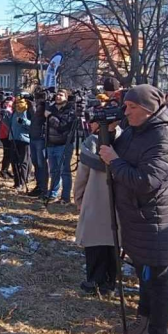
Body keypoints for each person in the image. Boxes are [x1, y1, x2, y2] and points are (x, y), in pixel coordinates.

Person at [98, 84, 168, 334]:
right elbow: (110, 155)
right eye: (126, 106)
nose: (126, 111)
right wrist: (106, 133)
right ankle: (143, 322)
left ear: (148, 109)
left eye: (132, 107)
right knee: (145, 276)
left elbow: (145, 180)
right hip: (137, 219)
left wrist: (115, 160)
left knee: (158, 284)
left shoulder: (163, 140)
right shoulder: (135, 131)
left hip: (155, 222)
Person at [74, 120, 119, 295]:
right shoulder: (126, 141)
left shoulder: (91, 143)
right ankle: (110, 281)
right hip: (116, 201)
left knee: (94, 243)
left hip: (95, 199)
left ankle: (94, 280)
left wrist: (79, 199)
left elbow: (82, 175)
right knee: (113, 242)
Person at [44, 89, 76, 203]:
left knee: (64, 171)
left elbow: (62, 126)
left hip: (63, 145)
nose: (58, 96)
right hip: (50, 144)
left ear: (66, 97)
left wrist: (50, 116)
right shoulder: (51, 108)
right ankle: (53, 193)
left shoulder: (70, 110)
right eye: (57, 94)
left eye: (61, 95)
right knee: (53, 171)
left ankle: (65, 197)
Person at [5, 93, 32, 191]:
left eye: (20, 101)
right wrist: (4, 117)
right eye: (17, 101)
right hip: (13, 139)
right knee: (14, 162)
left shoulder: (28, 110)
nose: (18, 103)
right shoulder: (14, 111)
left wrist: (24, 121)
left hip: (24, 140)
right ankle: (17, 183)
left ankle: (22, 182)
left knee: (23, 162)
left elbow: (32, 125)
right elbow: (10, 125)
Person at [28, 90, 49, 196]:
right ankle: (39, 186)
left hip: (41, 138)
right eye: (37, 97)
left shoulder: (45, 107)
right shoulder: (35, 107)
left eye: (40, 97)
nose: (38, 99)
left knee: (41, 164)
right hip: (33, 137)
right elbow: (30, 118)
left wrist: (43, 104)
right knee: (35, 163)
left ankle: (44, 188)